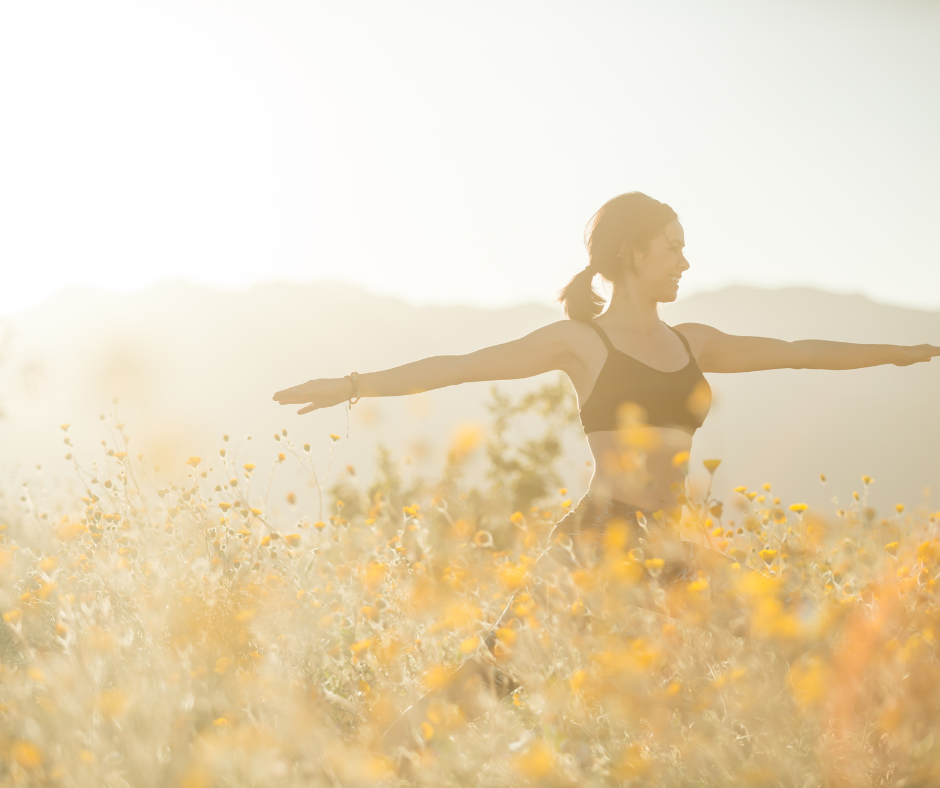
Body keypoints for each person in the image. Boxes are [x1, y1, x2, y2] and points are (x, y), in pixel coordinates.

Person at [273, 191, 939, 743]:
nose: (685, 260)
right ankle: (370, 760)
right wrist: (351, 384)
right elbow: (460, 366)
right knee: (496, 677)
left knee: (805, 638)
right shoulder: (581, 343)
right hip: (599, 536)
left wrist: (905, 351)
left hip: (677, 545)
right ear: (632, 253)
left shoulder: (693, 342)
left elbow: (799, 351)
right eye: (673, 246)